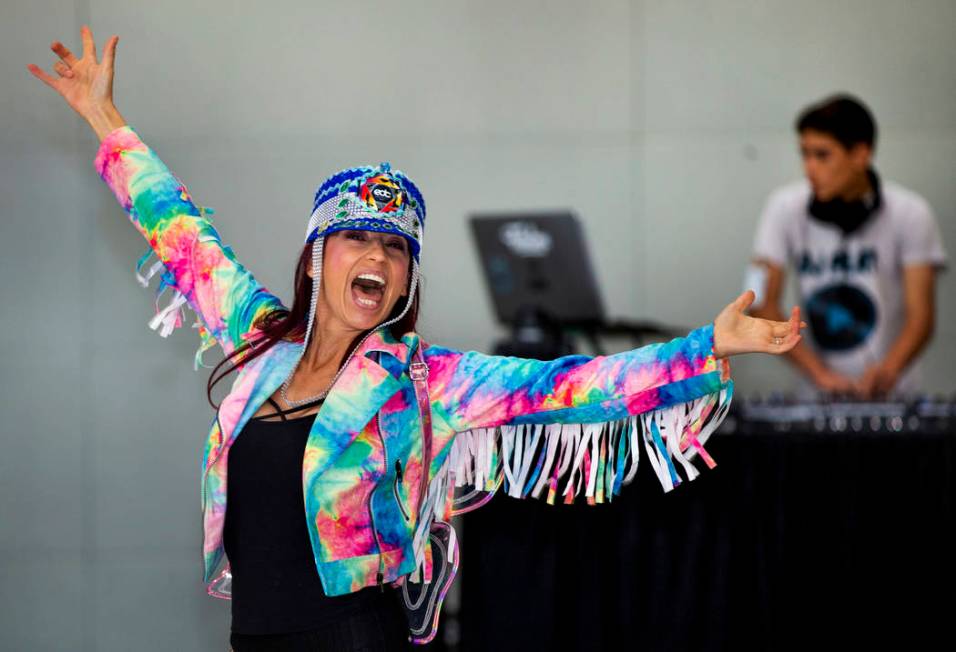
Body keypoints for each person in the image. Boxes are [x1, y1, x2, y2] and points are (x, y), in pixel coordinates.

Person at [28, 26, 804, 652]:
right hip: (253, 635)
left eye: (395, 248)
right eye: (356, 238)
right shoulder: (262, 342)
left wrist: (707, 346)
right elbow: (179, 233)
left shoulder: (422, 379)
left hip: (354, 638)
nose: (376, 256)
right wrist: (104, 117)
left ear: (404, 283)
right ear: (315, 257)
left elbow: (574, 385)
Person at [750, 94, 947, 399]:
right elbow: (760, 301)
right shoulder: (781, 208)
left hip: (895, 397)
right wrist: (821, 375)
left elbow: (922, 317)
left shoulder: (912, 213)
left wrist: (889, 371)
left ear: (860, 154)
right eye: (804, 154)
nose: (809, 168)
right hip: (814, 396)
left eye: (822, 155)